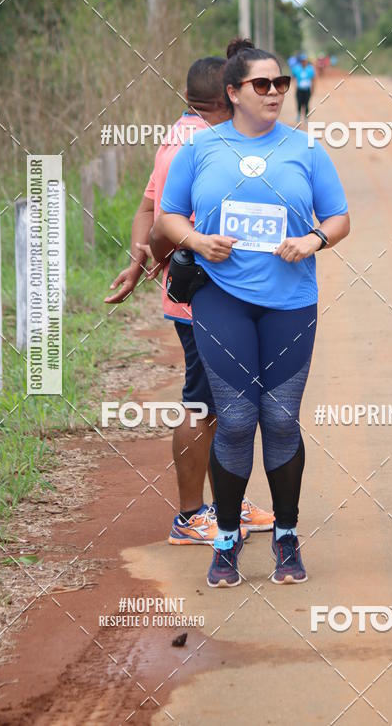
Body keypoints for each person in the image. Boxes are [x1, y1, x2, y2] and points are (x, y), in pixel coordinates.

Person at [159, 37, 350, 587]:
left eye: (282, 84)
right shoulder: (201, 149)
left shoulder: (305, 149)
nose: (275, 93)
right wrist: (196, 240)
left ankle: (286, 537)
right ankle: (225, 539)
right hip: (222, 298)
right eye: (262, 85)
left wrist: (313, 241)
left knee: (282, 418)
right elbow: (169, 215)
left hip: (290, 301)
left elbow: (339, 217)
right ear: (233, 92)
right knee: (238, 419)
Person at [105, 56, 274, 545]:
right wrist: (154, 260)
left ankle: (225, 501)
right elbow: (160, 224)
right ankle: (189, 516)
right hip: (201, 300)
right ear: (226, 98)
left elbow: (145, 209)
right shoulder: (196, 146)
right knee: (202, 405)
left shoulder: (180, 135)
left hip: (207, 297)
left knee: (225, 404)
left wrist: (141, 262)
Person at [291, 53, 316, 122]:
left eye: (304, 61)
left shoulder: (310, 69)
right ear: (301, 61)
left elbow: (313, 79)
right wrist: (294, 85)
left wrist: (313, 88)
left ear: (306, 61)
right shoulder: (296, 69)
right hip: (299, 89)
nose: (303, 62)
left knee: (306, 103)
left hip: (307, 90)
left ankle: (306, 117)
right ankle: (298, 115)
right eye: (302, 61)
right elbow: (293, 77)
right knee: (299, 103)